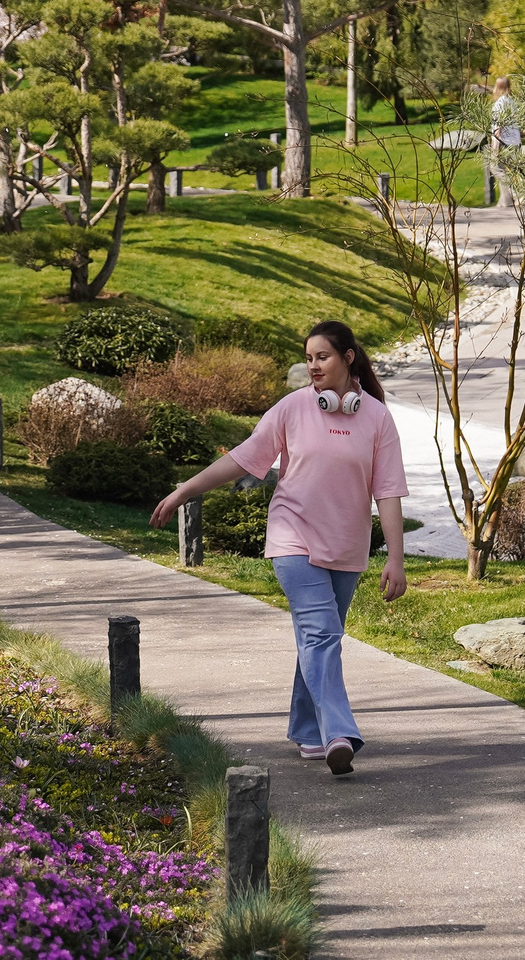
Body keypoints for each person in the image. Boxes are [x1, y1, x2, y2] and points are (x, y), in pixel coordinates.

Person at [151, 320, 406, 776]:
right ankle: (338, 734)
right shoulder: (291, 409)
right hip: (292, 537)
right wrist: (184, 491)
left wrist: (395, 558)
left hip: (346, 546)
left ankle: (307, 732)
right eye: (308, 358)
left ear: (348, 358)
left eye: (322, 357)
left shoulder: (377, 419)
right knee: (322, 635)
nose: (313, 366)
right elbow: (242, 458)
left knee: (317, 641)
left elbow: (387, 491)